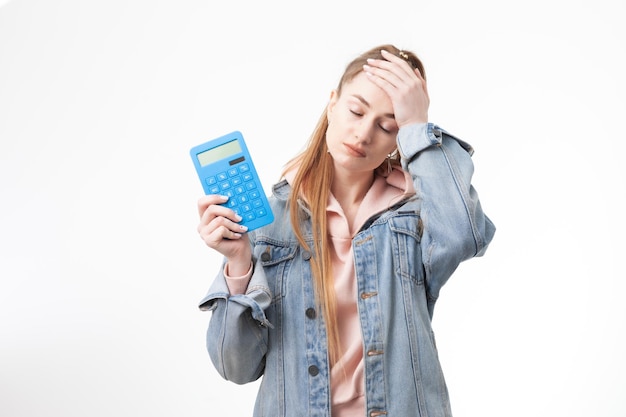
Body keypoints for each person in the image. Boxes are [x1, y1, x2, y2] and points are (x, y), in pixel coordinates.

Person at [195, 44, 496, 417]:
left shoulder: (415, 216)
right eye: (356, 110)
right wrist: (238, 263)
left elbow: (465, 234)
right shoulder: (270, 222)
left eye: (388, 126)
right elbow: (236, 368)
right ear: (332, 103)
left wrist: (418, 126)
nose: (364, 133)